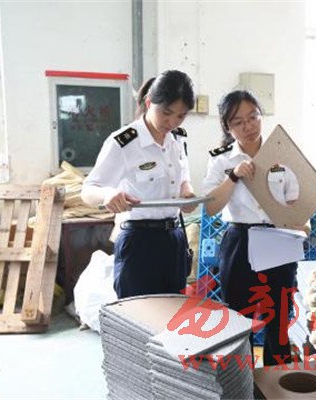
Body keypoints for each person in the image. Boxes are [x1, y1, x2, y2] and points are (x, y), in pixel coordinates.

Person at [202, 90, 303, 366]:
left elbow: (296, 201)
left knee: (278, 319)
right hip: (240, 241)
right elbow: (210, 207)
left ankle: (276, 382)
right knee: (238, 318)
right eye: (238, 122)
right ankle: (240, 381)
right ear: (227, 127)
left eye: (253, 117)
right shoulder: (221, 160)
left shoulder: (282, 154)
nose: (248, 126)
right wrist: (234, 177)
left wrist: (301, 224)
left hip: (278, 238)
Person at [81, 70, 196, 298]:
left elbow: (183, 177)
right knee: (137, 312)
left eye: (181, 116)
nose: (172, 122)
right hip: (139, 241)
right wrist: (108, 195)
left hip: (173, 239)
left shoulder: (177, 138)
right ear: (149, 102)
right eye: (166, 113)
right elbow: (88, 190)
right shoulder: (124, 142)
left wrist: (187, 192)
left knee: (172, 312)